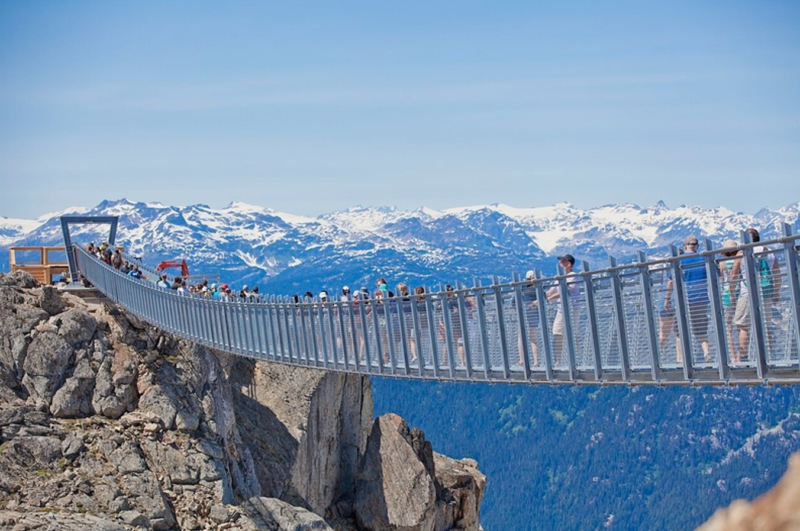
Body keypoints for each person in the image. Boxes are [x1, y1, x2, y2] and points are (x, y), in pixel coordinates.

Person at [730, 228, 781, 362]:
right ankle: (770, 356)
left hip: (747, 293)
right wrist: (776, 292)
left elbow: (734, 275)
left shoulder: (742, 253)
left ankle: (743, 357)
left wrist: (731, 292)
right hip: (766, 292)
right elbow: (777, 273)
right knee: (766, 325)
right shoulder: (768, 251)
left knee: (743, 326)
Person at [666, 236, 711, 363]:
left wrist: (667, 299)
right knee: (700, 328)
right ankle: (706, 352)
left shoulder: (680, 261)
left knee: (679, 329)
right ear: (697, 246)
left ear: (685, 246)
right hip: (701, 298)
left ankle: (680, 359)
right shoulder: (704, 259)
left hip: (684, 299)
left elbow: (670, 282)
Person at [546, 254, 583, 365]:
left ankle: (575, 359)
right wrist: (537, 300)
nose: (560, 263)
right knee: (558, 332)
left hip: (572, 307)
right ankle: (560, 360)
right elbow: (550, 292)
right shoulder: (560, 278)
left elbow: (565, 290)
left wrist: (549, 299)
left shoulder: (573, 276)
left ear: (568, 263)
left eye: (562, 261)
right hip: (562, 308)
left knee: (571, 331)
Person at [719, 239, 740, 360]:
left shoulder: (722, 262)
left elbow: (722, 278)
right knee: (740, 325)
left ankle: (732, 357)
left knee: (728, 327)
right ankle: (740, 355)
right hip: (739, 293)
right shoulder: (739, 259)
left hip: (727, 294)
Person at [516, 270, 540, 367]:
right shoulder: (539, 288)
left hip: (523, 313)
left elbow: (514, 301)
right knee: (533, 338)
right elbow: (545, 297)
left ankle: (522, 360)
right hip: (535, 314)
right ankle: (536, 361)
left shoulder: (522, 288)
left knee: (521, 337)